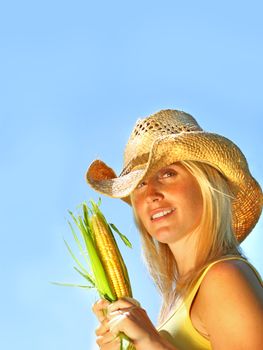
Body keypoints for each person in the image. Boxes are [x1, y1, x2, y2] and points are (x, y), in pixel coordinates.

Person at [85, 109, 263, 350]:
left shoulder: (224, 278)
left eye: (168, 174)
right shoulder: (176, 301)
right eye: (140, 185)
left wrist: (152, 341)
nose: (151, 195)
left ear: (206, 184)